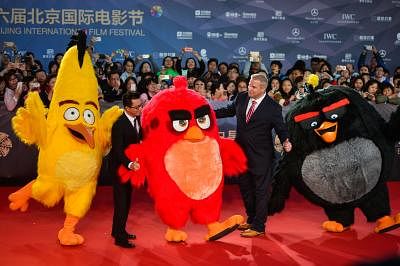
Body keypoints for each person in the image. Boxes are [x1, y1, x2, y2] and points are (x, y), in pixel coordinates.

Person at [214, 73, 292, 237]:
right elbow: (228, 110)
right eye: (249, 84)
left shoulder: (272, 107)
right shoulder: (242, 98)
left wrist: (286, 140)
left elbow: (281, 127)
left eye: (253, 87)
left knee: (261, 190)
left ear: (263, 88)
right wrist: (208, 114)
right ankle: (251, 219)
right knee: (246, 188)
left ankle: (259, 226)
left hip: (262, 156)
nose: (249, 88)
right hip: (241, 154)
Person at [109, 91, 143, 248]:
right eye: (136, 107)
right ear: (127, 108)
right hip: (119, 168)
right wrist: (130, 164)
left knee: (127, 200)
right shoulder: (119, 124)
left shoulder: (137, 120)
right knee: (121, 203)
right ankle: (120, 238)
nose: (140, 109)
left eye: (141, 106)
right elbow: (118, 150)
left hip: (130, 168)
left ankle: (117, 230)